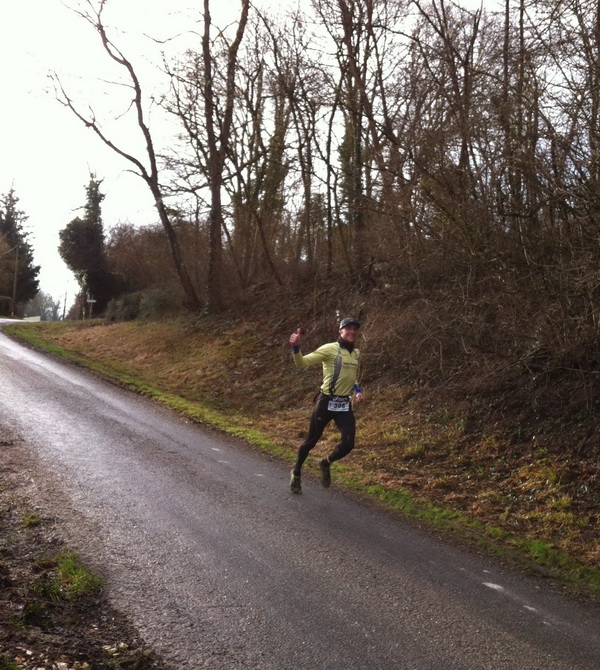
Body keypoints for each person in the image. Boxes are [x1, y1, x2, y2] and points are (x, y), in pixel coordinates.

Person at [288, 318, 364, 494]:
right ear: (340, 331)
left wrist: (357, 390)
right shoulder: (329, 349)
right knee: (311, 441)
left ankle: (326, 462)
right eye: (348, 329)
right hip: (326, 402)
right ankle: (297, 472)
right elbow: (302, 364)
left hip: (344, 404)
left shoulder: (356, 353)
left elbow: (351, 377)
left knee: (348, 444)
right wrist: (296, 348)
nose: (352, 332)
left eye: (355, 329)